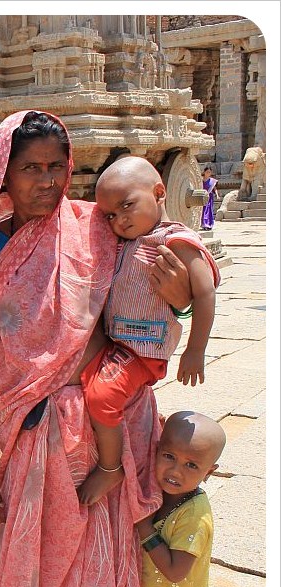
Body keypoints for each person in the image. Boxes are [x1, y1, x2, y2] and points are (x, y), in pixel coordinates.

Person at [0, 110, 193, 587]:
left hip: (101, 438)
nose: (47, 181)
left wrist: (180, 303)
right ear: (4, 173)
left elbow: (149, 311)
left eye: (57, 166)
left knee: (94, 579)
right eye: (31, 168)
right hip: (24, 442)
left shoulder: (97, 227)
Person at [81, 156, 220, 506]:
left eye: (127, 206)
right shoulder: (128, 242)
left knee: (101, 397)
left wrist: (195, 349)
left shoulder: (176, 240)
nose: (119, 220)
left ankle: (111, 467)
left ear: (159, 193)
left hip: (142, 351)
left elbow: (204, 292)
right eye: (110, 215)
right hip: (119, 343)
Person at [133, 411, 225, 587]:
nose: (176, 472)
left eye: (191, 465)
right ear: (156, 450)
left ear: (209, 472)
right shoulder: (160, 495)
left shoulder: (195, 515)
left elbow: (175, 572)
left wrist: (144, 527)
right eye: (169, 456)